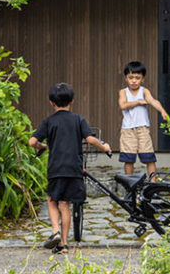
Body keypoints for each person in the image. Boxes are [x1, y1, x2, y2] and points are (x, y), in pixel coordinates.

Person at [28, 81, 111, 253]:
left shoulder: (48, 121)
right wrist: (104, 147)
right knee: (65, 204)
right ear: (72, 101)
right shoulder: (79, 120)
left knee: (52, 200)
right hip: (74, 168)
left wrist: (42, 147)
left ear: (52, 103)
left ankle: (55, 232)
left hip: (56, 169)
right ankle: (64, 244)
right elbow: (90, 140)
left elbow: (32, 142)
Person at [115, 61, 170, 176]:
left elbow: (152, 101)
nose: (134, 81)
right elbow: (123, 105)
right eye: (131, 77)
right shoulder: (123, 92)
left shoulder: (144, 91)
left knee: (149, 157)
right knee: (129, 158)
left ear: (143, 79)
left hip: (143, 129)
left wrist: (162, 111)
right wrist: (138, 102)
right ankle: (129, 184)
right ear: (126, 78)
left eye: (137, 78)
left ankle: (153, 183)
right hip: (128, 130)